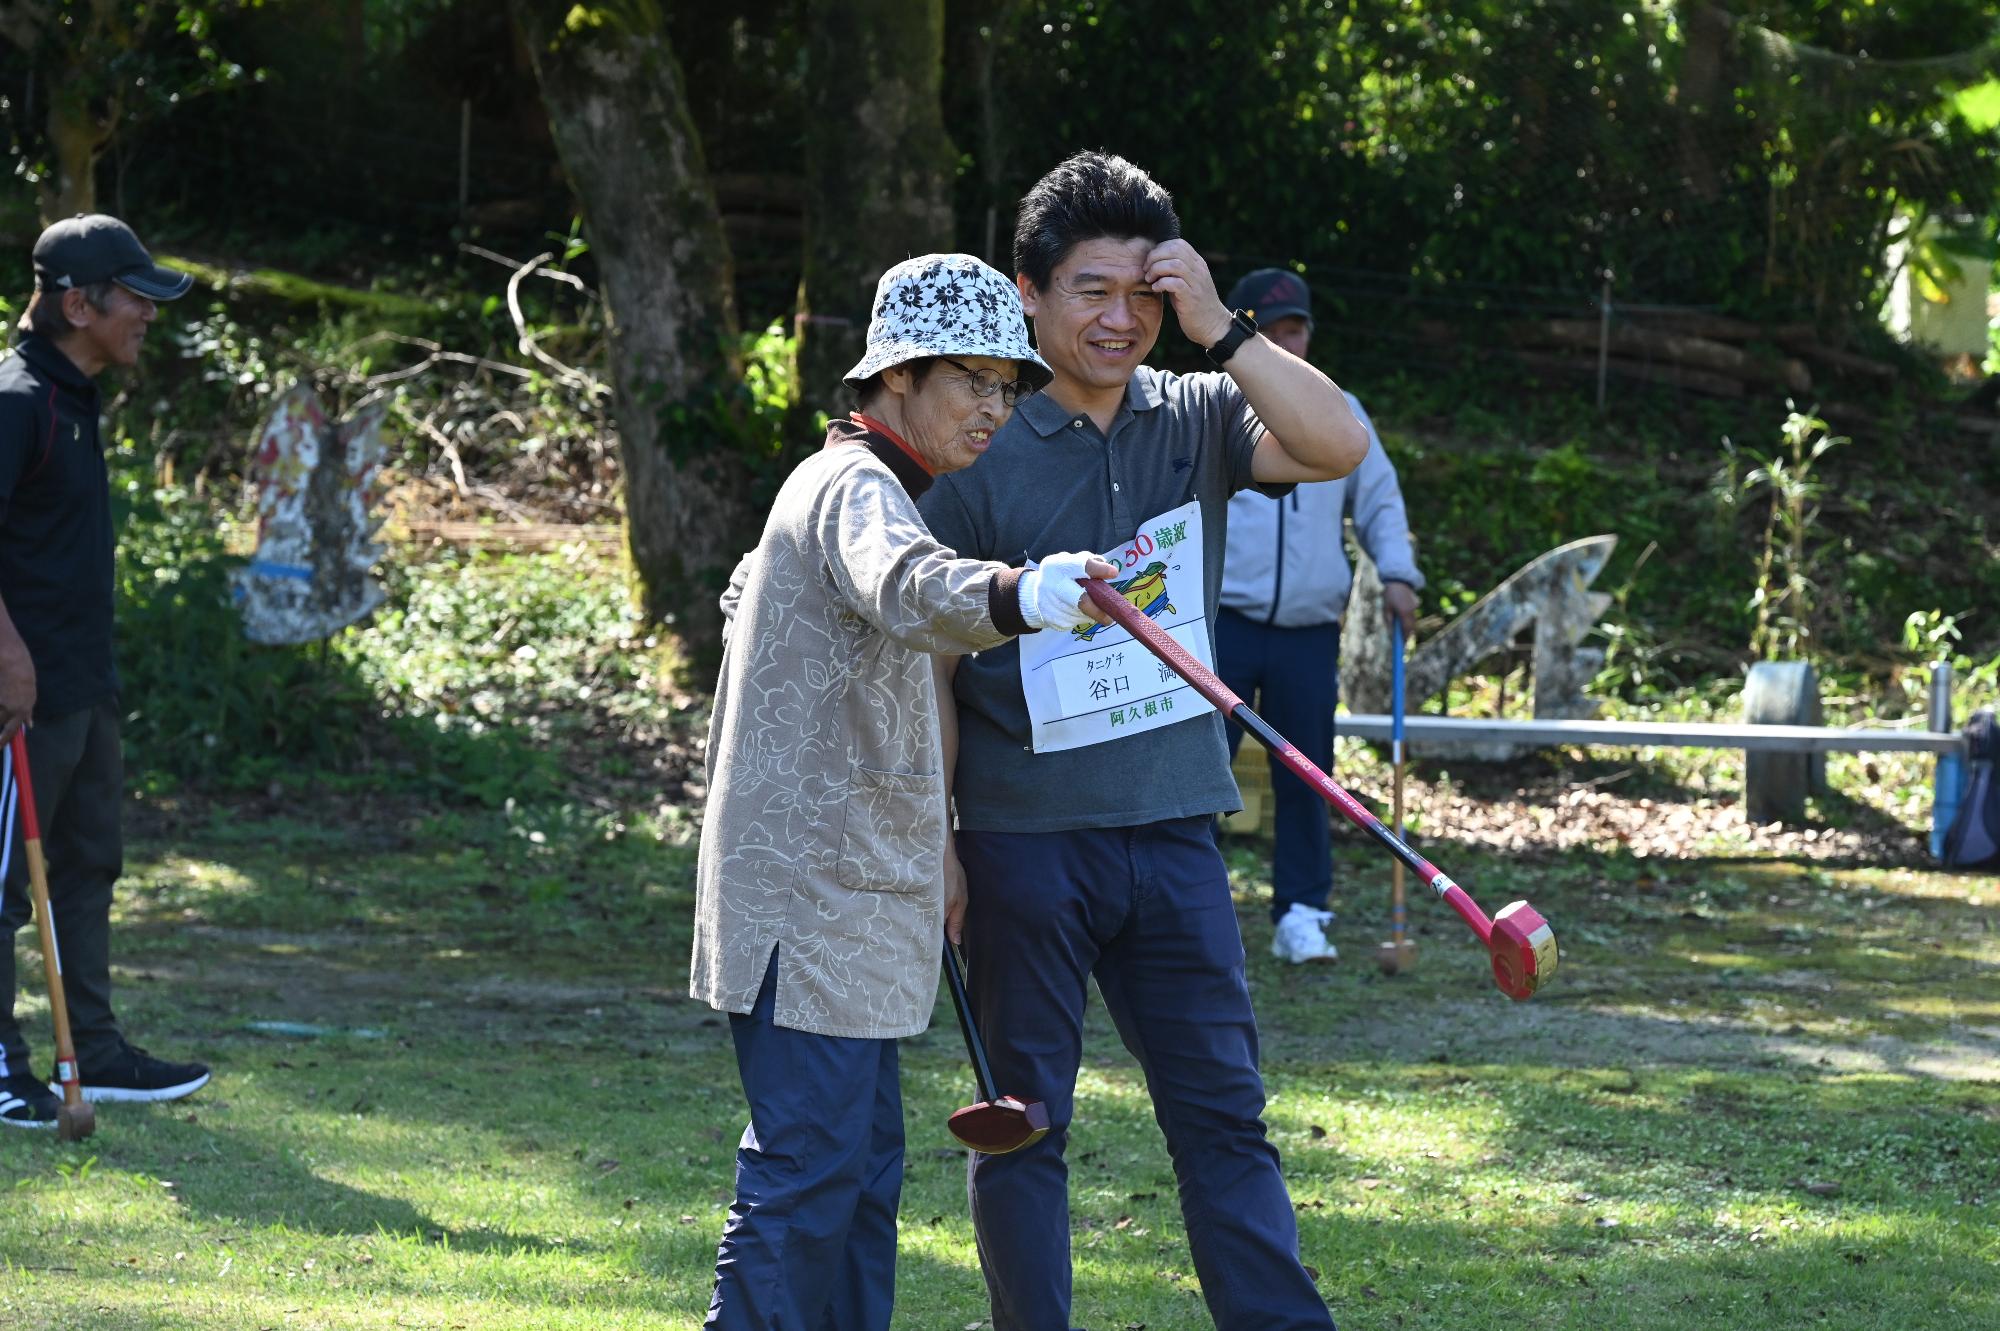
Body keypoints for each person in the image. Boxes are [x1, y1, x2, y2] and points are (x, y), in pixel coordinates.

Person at [919, 153, 1370, 1331]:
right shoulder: (979, 442)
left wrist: (1220, 329)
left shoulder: (1201, 411)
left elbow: (1337, 445)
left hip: (1174, 829)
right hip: (1022, 838)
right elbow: (925, 660)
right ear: (1027, 290)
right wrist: (945, 845)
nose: (1119, 320)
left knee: (1223, 1114)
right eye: (1089, 290)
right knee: (1024, 1124)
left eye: (1142, 293)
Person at [691, 252, 1116, 1330]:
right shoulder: (853, 487)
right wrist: (1023, 592)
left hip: (851, 903)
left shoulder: (865, 489)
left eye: (1008, 387)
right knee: (808, 1175)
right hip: (810, 905)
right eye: (971, 379)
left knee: (860, 1177)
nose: (993, 407)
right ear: (895, 377)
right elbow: (912, 589)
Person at [0, 214, 210, 1129]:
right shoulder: (14, 400)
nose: (150, 315)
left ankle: (95, 1049)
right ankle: (2, 1069)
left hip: (84, 687)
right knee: (1, 884)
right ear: (79, 303)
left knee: (89, 864)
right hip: (20, 697)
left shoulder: (74, 395)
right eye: (136, 297)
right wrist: (8, 657)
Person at [1215, 268, 1423, 965]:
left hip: (1308, 630)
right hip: (1223, 624)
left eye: (1295, 327)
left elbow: (1380, 501)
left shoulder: (1340, 409)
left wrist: (1397, 572)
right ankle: (1187, 909)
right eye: (1270, 329)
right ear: (1242, 330)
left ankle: (1302, 913)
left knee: (1308, 774)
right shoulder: (1215, 405)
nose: (1286, 340)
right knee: (1196, 768)